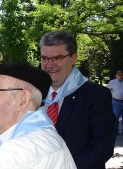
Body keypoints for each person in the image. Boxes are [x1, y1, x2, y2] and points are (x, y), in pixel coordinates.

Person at [40, 31, 116, 169]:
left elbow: (103, 145)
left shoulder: (96, 95)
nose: (49, 65)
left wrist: (66, 166)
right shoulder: (32, 95)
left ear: (73, 58)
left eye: (57, 58)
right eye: (44, 58)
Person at [107, 70, 123, 134]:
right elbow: (106, 90)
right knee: (116, 117)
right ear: (116, 75)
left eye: (121, 75)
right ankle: (115, 130)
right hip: (116, 102)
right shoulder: (113, 82)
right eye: (118, 75)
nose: (120, 76)